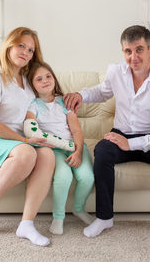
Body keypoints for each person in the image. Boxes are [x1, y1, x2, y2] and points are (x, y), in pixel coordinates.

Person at [64, 25, 150, 243]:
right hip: (122, 134)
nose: (133, 57)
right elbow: (101, 92)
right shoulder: (116, 72)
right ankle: (104, 218)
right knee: (102, 150)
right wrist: (80, 95)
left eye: (139, 49)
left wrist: (130, 145)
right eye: (128, 51)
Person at [0, 27, 55, 247]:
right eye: (21, 46)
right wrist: (25, 142)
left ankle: (26, 224)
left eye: (31, 50)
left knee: (47, 155)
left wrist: (71, 97)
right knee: (27, 153)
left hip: (12, 141)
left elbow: (48, 95)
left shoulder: (25, 78)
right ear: (9, 45)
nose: (26, 52)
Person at [24, 62, 95, 235]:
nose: (46, 81)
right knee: (63, 177)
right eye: (39, 79)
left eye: (48, 76)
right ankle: (58, 217)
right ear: (32, 84)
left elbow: (76, 129)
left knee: (87, 177)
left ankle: (78, 209)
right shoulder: (32, 105)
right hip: (53, 150)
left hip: (74, 146)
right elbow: (30, 128)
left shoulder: (64, 101)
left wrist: (78, 151)